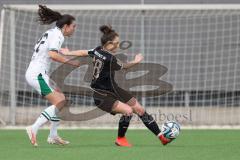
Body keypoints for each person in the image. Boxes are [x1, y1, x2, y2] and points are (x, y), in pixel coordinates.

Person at [60, 25, 172, 147]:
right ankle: (120, 139)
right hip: (101, 95)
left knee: (139, 109)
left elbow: (83, 52)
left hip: (113, 89)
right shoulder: (110, 58)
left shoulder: (97, 50)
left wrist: (69, 52)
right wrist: (136, 61)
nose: (118, 46)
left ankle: (161, 137)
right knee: (128, 111)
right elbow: (125, 67)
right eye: (116, 43)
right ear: (108, 43)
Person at [25, 5, 80, 147]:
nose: (75, 29)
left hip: (38, 73)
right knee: (60, 102)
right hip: (37, 74)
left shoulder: (51, 32)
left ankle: (53, 135)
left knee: (62, 100)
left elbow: (49, 52)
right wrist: (71, 62)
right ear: (66, 26)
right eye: (74, 26)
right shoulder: (58, 35)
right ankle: (33, 128)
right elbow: (52, 54)